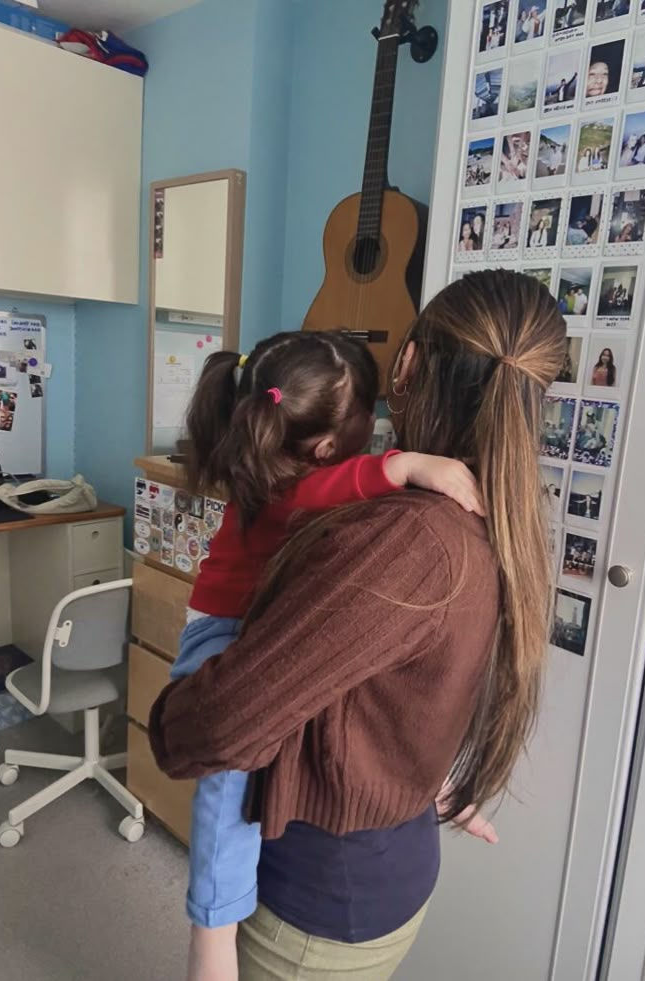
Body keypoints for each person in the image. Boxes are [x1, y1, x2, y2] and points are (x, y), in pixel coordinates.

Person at [149, 270, 567, 981]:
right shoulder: (483, 508)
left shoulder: (406, 538)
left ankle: (208, 936)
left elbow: (219, 725)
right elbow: (399, 685)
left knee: (220, 780)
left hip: (324, 892)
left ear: (406, 365)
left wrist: (168, 723)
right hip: (379, 860)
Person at [167, 331, 486, 981]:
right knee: (232, 765)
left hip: (257, 617)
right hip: (222, 631)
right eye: (371, 414)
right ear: (323, 447)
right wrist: (402, 467)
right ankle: (213, 926)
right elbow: (312, 496)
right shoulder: (281, 483)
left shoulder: (280, 452)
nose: (381, 427)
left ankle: (439, 786)